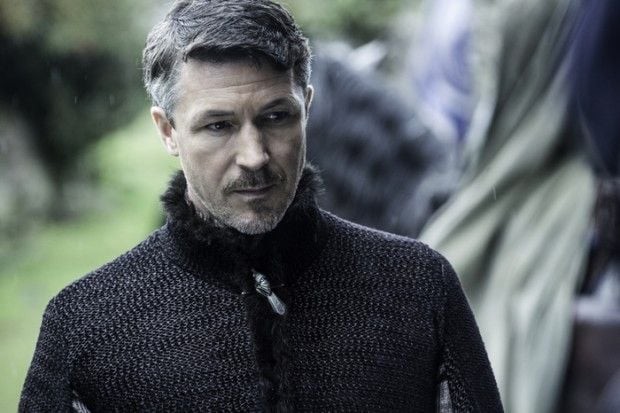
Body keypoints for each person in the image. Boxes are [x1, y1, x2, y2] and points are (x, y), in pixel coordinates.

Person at [19, 1, 502, 411]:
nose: (254, 156)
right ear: (167, 131)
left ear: (306, 107)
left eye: (276, 117)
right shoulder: (86, 326)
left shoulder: (418, 286)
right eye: (218, 126)